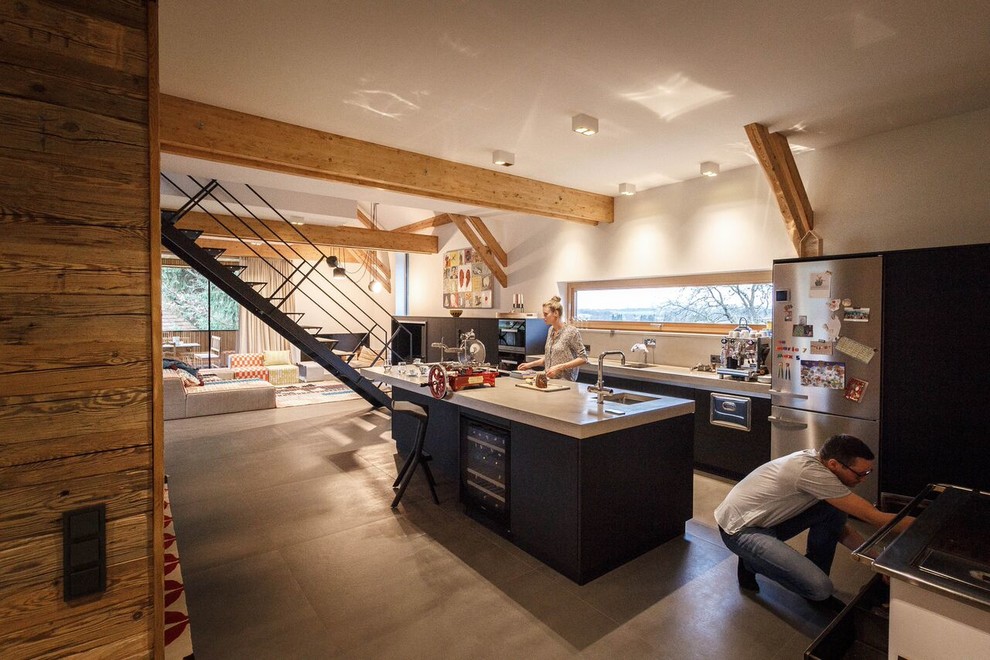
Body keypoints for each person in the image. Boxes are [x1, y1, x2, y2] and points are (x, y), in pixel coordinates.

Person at [714, 434, 912, 610]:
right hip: (739, 530)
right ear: (834, 464)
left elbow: (840, 529)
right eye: (860, 474)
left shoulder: (820, 463)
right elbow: (874, 518)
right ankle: (750, 562)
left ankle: (810, 576)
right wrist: (927, 527)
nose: (863, 479)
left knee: (834, 510)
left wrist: (878, 560)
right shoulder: (812, 473)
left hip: (766, 519)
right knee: (821, 587)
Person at [518, 295, 588, 381]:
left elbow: (583, 358)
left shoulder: (571, 332)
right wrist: (529, 365)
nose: (543, 318)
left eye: (546, 314)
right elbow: (549, 357)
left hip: (565, 382)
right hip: (548, 380)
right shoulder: (550, 330)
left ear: (556, 313)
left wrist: (560, 367)